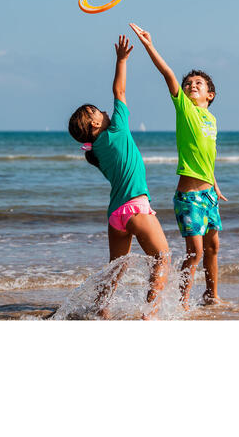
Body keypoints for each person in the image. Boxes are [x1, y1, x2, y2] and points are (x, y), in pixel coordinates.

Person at [68, 35, 170, 318]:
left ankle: (102, 309)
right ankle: (151, 312)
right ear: (96, 122)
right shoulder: (117, 131)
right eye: (98, 110)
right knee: (162, 258)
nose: (104, 109)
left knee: (116, 266)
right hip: (135, 208)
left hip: (116, 215)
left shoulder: (96, 153)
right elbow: (120, 91)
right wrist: (122, 60)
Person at [129, 22, 227, 309]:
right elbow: (168, 74)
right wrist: (149, 45)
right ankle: (183, 301)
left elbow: (208, 154)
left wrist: (215, 185)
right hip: (189, 197)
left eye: (199, 83)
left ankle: (211, 296)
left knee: (213, 247)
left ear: (210, 94)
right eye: (189, 84)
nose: (192, 85)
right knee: (194, 252)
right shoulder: (186, 110)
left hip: (209, 195)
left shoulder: (212, 120)